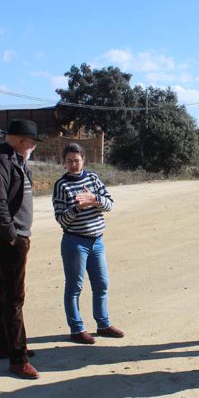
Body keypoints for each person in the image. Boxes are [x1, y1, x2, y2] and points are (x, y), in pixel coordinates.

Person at [0, 119, 41, 380]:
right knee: (14, 296)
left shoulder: (14, 159)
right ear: (23, 141)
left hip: (13, 236)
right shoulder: (2, 161)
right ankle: (17, 357)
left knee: (2, 290)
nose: (33, 147)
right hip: (10, 238)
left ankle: (4, 346)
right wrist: (11, 236)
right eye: (32, 143)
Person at [52, 143, 124, 345]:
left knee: (101, 284)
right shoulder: (61, 185)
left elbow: (110, 204)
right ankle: (76, 329)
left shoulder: (93, 178)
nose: (73, 164)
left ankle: (103, 324)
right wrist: (77, 207)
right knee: (74, 286)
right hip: (75, 242)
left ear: (84, 160)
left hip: (97, 241)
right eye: (69, 161)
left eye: (77, 160)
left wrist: (95, 199)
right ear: (64, 162)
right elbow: (61, 219)